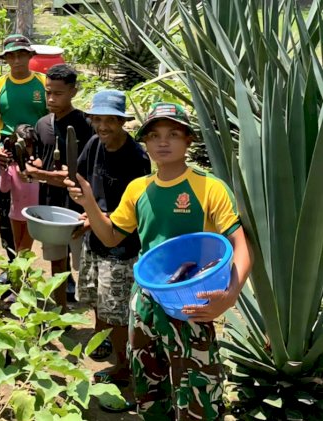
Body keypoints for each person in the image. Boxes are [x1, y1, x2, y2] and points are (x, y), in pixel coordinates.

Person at [65, 103, 252, 420]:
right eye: (154, 136)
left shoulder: (209, 187)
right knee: (149, 387)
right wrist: (89, 203)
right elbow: (111, 237)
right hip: (146, 300)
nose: (162, 142)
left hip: (191, 301)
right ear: (145, 142)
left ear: (188, 139)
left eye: (173, 134)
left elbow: (241, 245)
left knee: (197, 390)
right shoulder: (139, 189)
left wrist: (231, 293)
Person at [73, 89, 151, 410]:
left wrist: (97, 217)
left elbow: (136, 211)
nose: (103, 126)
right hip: (94, 239)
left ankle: (125, 373)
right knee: (97, 299)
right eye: (97, 119)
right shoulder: (94, 144)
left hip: (121, 246)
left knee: (118, 314)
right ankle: (106, 346)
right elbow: (80, 179)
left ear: (122, 122)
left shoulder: (137, 158)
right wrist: (84, 211)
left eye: (110, 120)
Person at [25, 64, 93, 308]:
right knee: (56, 259)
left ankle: (95, 314)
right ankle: (60, 309)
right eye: (48, 92)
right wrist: (34, 165)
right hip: (51, 204)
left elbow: (81, 174)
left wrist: (40, 174)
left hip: (79, 207)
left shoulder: (86, 125)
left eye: (58, 93)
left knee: (84, 262)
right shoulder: (43, 124)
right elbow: (41, 160)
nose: (51, 98)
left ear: (73, 92)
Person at [0, 34, 48, 272]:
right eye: (11, 56)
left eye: (22, 54)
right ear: (5, 59)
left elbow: (52, 119)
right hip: (7, 152)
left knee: (41, 206)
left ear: (30, 56)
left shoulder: (43, 83)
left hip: (37, 152)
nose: (17, 60)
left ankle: (49, 260)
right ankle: (13, 263)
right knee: (6, 209)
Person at [0, 124, 39, 253]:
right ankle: (19, 266)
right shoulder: (12, 167)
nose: (25, 150)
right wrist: (3, 168)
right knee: (18, 247)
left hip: (32, 215)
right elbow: (4, 188)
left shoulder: (37, 167)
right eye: (21, 146)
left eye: (28, 146)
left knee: (23, 250)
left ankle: (19, 266)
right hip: (15, 214)